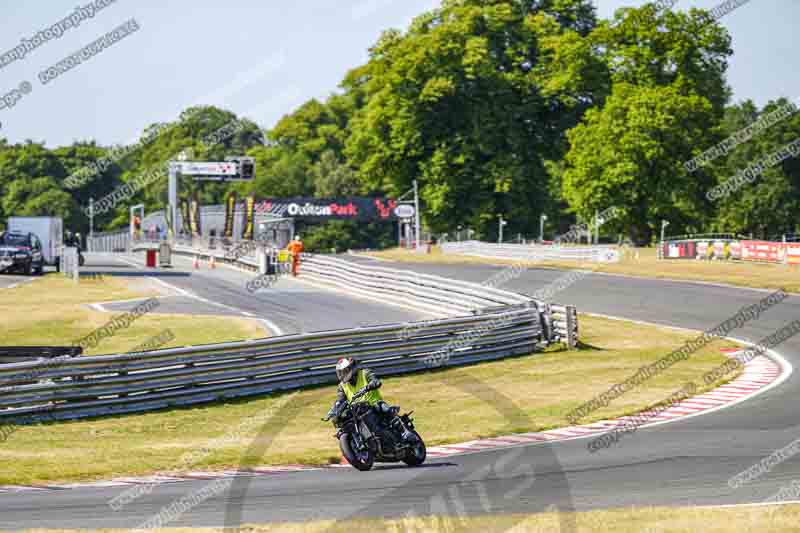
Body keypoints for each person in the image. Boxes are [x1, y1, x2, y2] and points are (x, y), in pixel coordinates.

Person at [335, 357, 412, 440]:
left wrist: (370, 386)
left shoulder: (365, 373)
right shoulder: (342, 386)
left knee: (385, 409)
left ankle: (404, 430)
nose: (342, 375)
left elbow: (375, 381)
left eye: (344, 372)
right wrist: (336, 409)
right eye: (340, 373)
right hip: (357, 411)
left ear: (351, 369)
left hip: (374, 404)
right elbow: (340, 400)